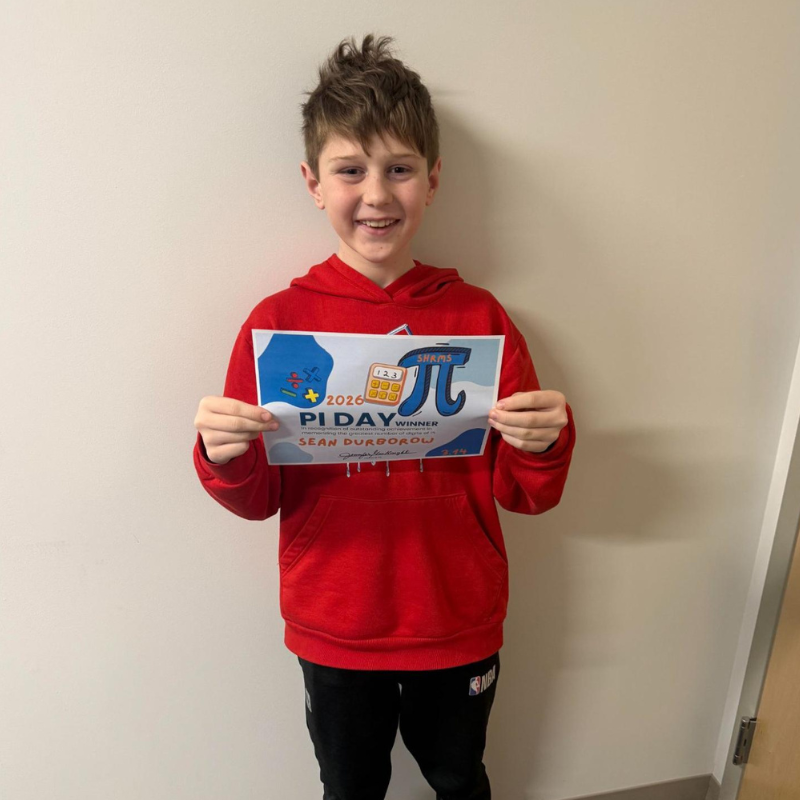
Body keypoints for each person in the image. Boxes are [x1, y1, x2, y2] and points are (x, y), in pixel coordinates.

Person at [193, 33, 576, 800]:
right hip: (335, 624)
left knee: (460, 781)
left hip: (456, 617)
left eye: (399, 169)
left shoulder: (480, 318)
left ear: (432, 181)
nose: (375, 194)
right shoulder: (279, 324)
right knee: (349, 787)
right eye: (350, 170)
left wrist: (544, 443)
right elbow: (256, 498)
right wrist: (224, 455)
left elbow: (528, 493)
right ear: (312, 181)